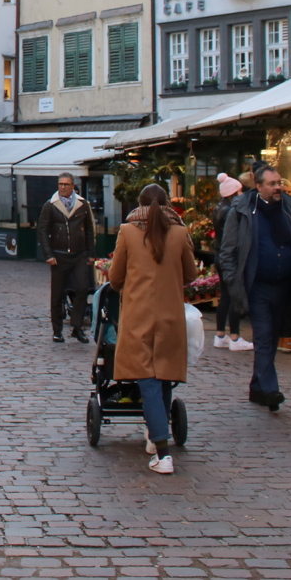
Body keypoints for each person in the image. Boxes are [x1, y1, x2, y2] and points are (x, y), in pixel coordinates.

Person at [110, 184, 198, 475]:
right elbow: (191, 274)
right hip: (170, 316)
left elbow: (115, 277)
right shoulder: (181, 232)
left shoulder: (128, 231)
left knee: (147, 381)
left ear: (139, 203)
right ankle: (155, 437)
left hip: (138, 317)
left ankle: (162, 451)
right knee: (163, 379)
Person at [217, 165, 291, 411]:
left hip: (285, 285)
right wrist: (232, 281)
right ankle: (270, 389)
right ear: (259, 187)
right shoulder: (242, 211)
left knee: (271, 336)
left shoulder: (290, 209)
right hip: (258, 286)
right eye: (272, 184)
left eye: (279, 182)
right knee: (263, 336)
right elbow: (227, 252)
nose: (278, 187)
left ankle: (257, 388)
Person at [38, 173, 95, 343]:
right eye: (60, 184)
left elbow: (90, 229)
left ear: (72, 186)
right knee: (57, 293)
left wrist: (91, 253)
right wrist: (48, 255)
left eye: (66, 184)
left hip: (79, 254)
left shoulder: (83, 205)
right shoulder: (50, 206)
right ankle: (57, 330)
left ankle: (77, 327)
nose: (63, 187)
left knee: (83, 288)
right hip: (59, 255)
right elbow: (42, 231)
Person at [210, 174, 252, 351]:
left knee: (225, 295)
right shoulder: (232, 211)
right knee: (235, 294)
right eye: (240, 190)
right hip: (230, 256)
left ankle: (220, 335)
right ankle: (235, 337)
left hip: (220, 254)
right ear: (234, 192)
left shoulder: (219, 208)